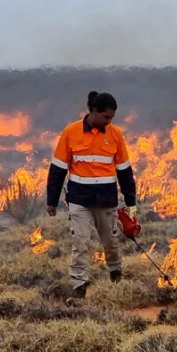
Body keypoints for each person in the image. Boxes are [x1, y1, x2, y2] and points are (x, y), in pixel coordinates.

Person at [47, 91, 138, 299]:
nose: (109, 122)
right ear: (94, 112)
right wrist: (51, 202)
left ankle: (115, 272)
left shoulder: (115, 135)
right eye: (106, 117)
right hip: (79, 200)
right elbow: (58, 170)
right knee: (80, 242)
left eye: (112, 118)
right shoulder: (70, 133)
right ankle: (79, 285)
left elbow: (125, 171)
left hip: (106, 200)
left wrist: (131, 203)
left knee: (111, 242)